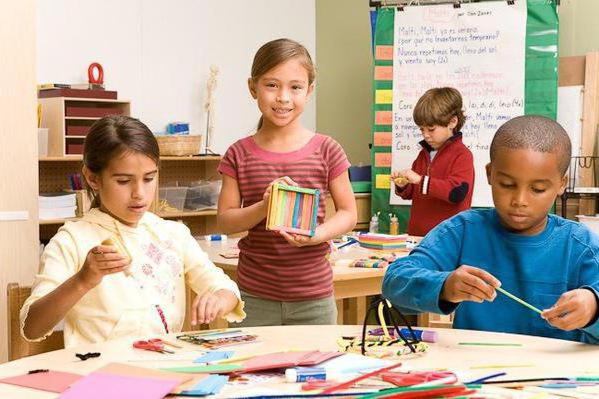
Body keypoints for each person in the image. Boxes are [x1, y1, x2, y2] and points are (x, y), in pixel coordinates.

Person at [21, 115, 244, 347]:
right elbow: (32, 327)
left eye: (149, 179)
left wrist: (219, 298)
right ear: (92, 178)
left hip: (164, 368)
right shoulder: (73, 240)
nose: (139, 193)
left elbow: (224, 287)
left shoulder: (173, 234)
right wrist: (83, 280)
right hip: (100, 374)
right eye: (124, 181)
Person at [383, 115, 599, 343]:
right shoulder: (463, 230)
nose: (519, 200)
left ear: (561, 184)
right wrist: (445, 286)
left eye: (537, 189)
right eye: (507, 185)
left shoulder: (580, 246)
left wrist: (593, 307)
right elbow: (394, 283)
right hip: (476, 371)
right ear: (490, 174)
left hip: (557, 376)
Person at [217, 38, 357, 326]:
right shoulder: (238, 153)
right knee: (252, 371)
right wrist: (264, 206)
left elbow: (348, 213)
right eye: (272, 85)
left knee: (316, 370)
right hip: (254, 297)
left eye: (295, 87)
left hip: (314, 298)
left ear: (309, 90)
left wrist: (316, 235)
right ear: (252, 87)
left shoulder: (327, 149)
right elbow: (226, 221)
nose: (283, 97)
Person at [391, 87, 474, 236]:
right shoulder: (423, 155)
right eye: (422, 130)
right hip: (418, 238)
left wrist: (421, 180)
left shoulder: (462, 155)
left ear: (452, 122)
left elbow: (457, 193)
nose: (426, 135)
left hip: (449, 240)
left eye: (431, 129)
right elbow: (413, 193)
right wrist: (404, 186)